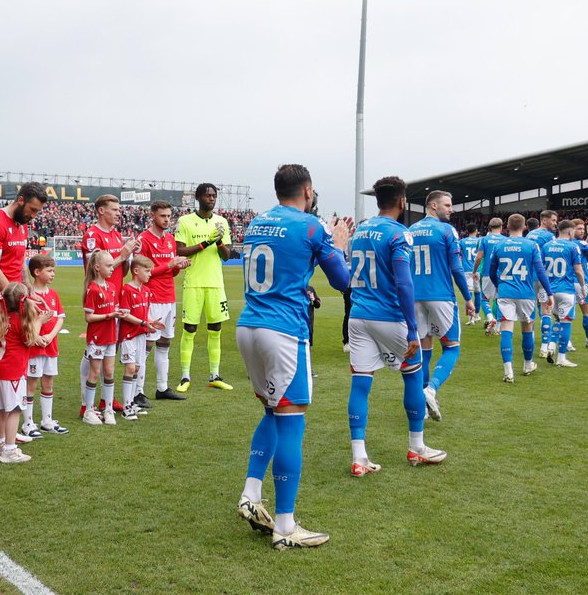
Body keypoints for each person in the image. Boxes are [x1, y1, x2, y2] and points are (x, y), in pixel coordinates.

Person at [235, 164, 353, 550]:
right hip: (284, 330)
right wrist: (338, 243)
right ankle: (285, 526)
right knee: (291, 420)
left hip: (249, 325)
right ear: (307, 190)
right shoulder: (311, 225)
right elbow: (342, 280)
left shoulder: (256, 222)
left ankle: (251, 494)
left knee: (271, 411)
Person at [347, 176, 446, 475]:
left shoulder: (360, 230)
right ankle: (417, 447)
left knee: (360, 384)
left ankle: (359, 457)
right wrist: (413, 329)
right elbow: (404, 283)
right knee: (413, 377)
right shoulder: (399, 233)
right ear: (402, 202)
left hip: (358, 316)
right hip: (389, 316)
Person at [409, 191, 474, 422]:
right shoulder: (447, 230)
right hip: (440, 295)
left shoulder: (410, 230)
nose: (451, 209)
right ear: (433, 205)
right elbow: (456, 268)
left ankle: (422, 406)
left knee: (425, 351)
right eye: (447, 205)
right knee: (451, 348)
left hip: (415, 297)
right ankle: (431, 389)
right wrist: (468, 298)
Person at [80, 194, 140, 413]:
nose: (118, 213)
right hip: (99, 298)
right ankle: (86, 403)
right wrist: (121, 256)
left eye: (118, 209)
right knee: (94, 350)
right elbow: (94, 270)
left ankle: (107, 399)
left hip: (114, 295)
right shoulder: (92, 235)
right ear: (101, 211)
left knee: (109, 351)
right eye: (114, 209)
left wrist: (129, 256)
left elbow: (121, 272)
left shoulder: (115, 234)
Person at [174, 183, 234, 392]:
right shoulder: (185, 221)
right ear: (198, 198)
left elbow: (227, 256)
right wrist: (205, 243)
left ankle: (214, 375)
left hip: (215, 283)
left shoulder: (222, 222)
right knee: (189, 329)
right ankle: (185, 376)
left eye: (214, 195)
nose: (211, 198)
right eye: (208, 195)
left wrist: (219, 242)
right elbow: (180, 251)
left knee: (215, 329)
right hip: (194, 283)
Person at [488, 214, 552, 383]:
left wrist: (498, 285)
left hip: (505, 293)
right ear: (524, 227)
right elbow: (540, 271)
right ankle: (527, 365)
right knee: (527, 330)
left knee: (506, 330)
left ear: (507, 226)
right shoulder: (531, 245)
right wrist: (549, 293)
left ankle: (508, 372)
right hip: (526, 294)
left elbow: (491, 271)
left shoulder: (499, 245)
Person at [138, 201, 189, 404]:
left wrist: (178, 266)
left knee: (165, 343)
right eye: (163, 216)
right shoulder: (143, 240)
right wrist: (169, 264)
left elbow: (171, 272)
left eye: (169, 216)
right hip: (152, 298)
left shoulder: (170, 239)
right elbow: (144, 273)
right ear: (152, 215)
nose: (167, 220)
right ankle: (138, 391)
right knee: (147, 345)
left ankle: (162, 387)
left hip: (169, 298)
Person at [0, 283, 42, 463]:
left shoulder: (0, 318)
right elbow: (31, 340)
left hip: (0, 370)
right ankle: (9, 449)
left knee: (2, 409)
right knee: (14, 410)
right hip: (13, 372)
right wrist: (39, 321)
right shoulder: (20, 321)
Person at [0, 183, 48, 300]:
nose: (33, 215)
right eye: (32, 209)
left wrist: (29, 290)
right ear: (21, 200)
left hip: (13, 300)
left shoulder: (22, 224)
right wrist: (16, 296)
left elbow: (21, 262)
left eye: (37, 211)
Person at [25, 254, 68, 436]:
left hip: (51, 346)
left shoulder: (53, 295)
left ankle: (47, 420)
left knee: (48, 382)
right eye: (49, 271)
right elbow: (25, 322)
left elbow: (60, 318)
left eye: (53, 271)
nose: (53, 274)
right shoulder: (29, 297)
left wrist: (50, 335)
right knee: (31, 384)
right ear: (37, 272)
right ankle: (28, 423)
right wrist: (35, 337)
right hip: (34, 349)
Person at [81, 251, 125, 427]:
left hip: (111, 336)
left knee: (109, 372)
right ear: (97, 267)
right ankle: (88, 410)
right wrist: (109, 315)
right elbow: (89, 317)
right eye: (108, 265)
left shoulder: (112, 287)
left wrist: (118, 313)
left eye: (112, 265)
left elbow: (114, 310)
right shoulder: (92, 289)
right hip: (97, 338)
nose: (112, 268)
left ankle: (108, 409)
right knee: (94, 372)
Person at [118, 256, 163, 421]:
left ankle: (131, 403)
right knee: (130, 368)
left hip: (141, 335)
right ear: (136, 271)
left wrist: (152, 322)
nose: (150, 274)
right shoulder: (127, 290)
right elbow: (125, 314)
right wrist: (144, 323)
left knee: (136, 368)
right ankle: (126, 407)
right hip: (129, 335)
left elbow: (143, 315)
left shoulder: (146, 291)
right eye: (147, 271)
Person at [542, 220, 585, 368]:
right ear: (570, 231)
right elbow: (578, 270)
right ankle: (561, 358)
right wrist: (583, 286)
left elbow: (541, 268)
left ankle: (551, 345)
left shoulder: (546, 246)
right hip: (566, 290)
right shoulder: (572, 246)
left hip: (550, 291)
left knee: (558, 320)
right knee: (565, 322)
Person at [526, 210, 558, 355]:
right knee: (546, 310)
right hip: (543, 277)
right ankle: (544, 347)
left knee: (531, 310)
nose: (555, 223)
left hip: (529, 277)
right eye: (553, 220)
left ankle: (531, 341)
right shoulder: (549, 237)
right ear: (544, 220)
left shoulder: (529, 235)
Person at [473, 217, 506, 334]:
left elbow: (479, 257)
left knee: (484, 299)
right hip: (502, 274)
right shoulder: (505, 240)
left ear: (490, 227)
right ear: (501, 227)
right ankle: (498, 327)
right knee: (499, 300)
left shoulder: (484, 240)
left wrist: (474, 271)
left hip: (487, 272)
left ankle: (490, 317)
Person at [458, 225, 483, 324]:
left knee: (469, 293)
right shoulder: (480, 241)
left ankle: (470, 318)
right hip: (478, 270)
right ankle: (476, 315)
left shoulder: (462, 242)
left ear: (467, 231)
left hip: (466, 270)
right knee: (478, 293)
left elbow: (457, 252)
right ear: (476, 230)